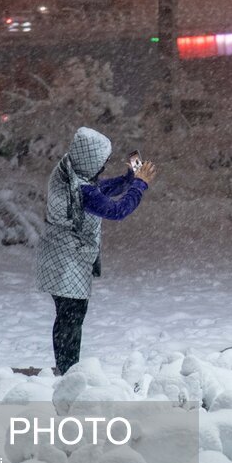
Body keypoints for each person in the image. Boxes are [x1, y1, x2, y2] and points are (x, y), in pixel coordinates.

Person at [36, 127, 156, 374]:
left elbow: (96, 189)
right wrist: (139, 185)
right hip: (67, 262)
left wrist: (126, 180)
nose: (103, 167)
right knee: (71, 319)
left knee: (68, 317)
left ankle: (67, 368)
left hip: (59, 256)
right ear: (88, 160)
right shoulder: (80, 189)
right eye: (101, 162)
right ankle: (68, 372)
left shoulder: (67, 171)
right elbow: (116, 211)